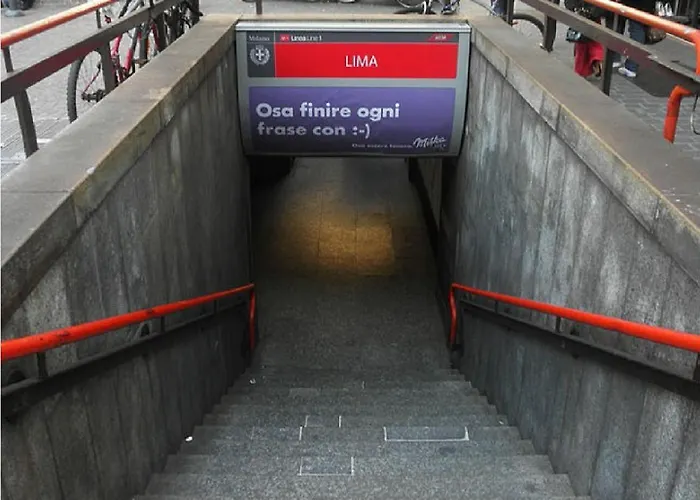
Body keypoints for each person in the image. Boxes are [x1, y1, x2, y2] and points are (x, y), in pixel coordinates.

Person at [613, 0, 656, 78]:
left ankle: (629, 66)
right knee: (637, 29)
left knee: (635, 30)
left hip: (635, 5)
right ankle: (630, 66)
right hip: (644, 5)